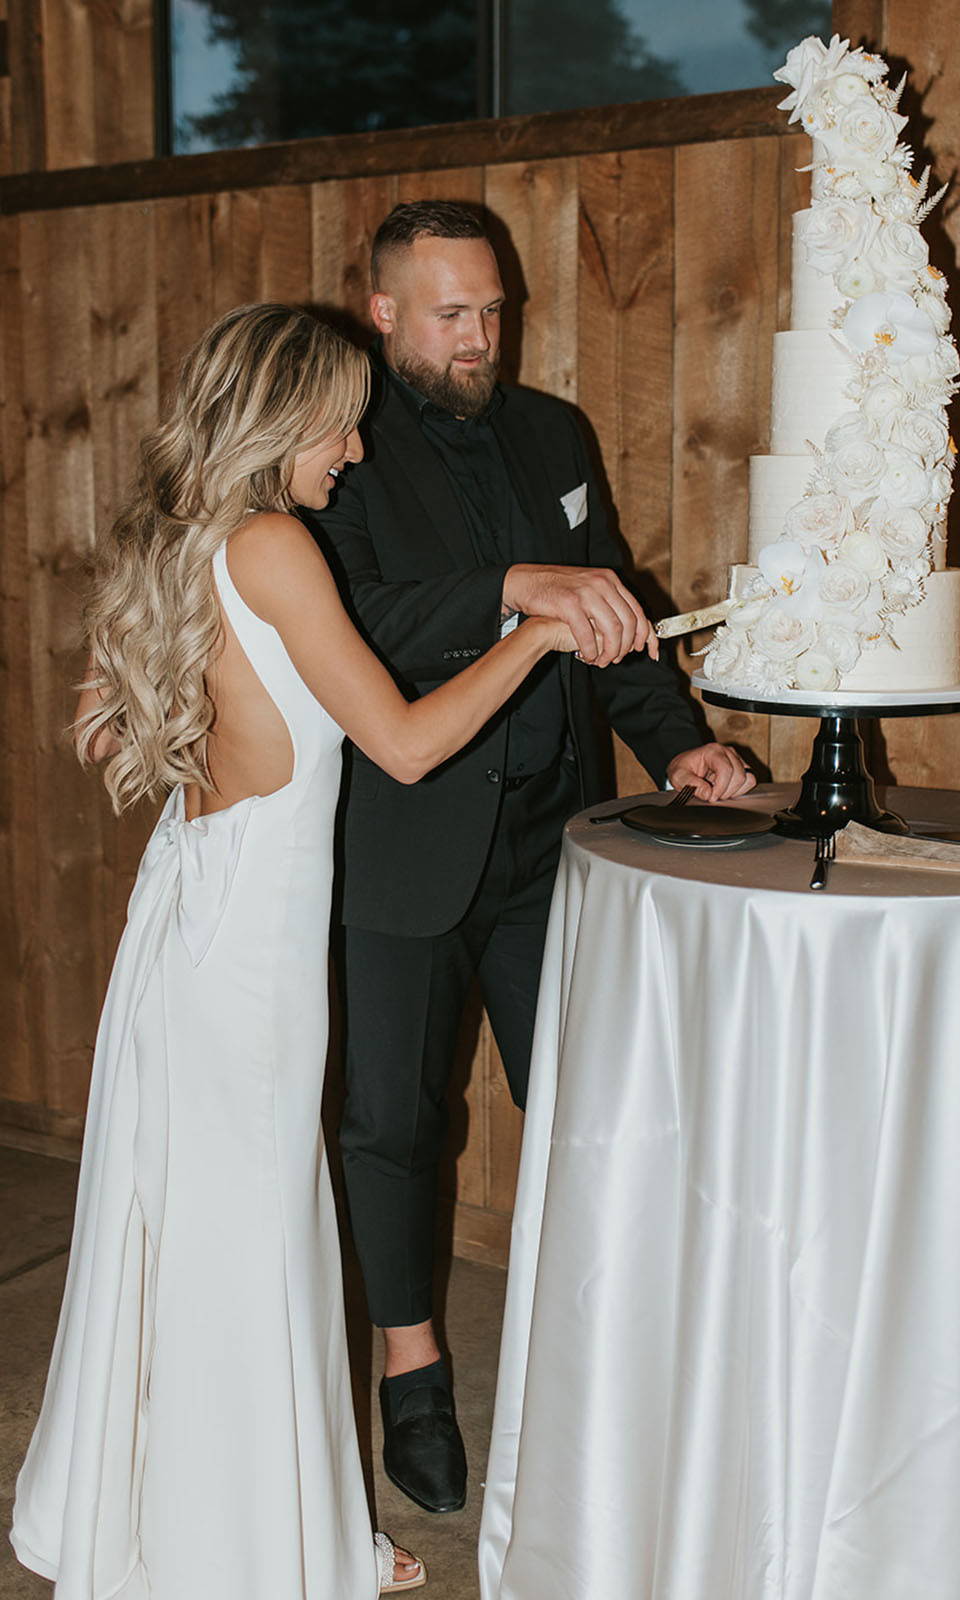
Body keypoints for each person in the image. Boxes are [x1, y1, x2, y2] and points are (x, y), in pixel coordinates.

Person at [8, 304, 635, 1599]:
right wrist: (534, 636)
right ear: (286, 415)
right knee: (254, 1239)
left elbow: (95, 732)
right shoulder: (277, 545)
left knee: (219, 1229)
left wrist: (198, 729)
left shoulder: (175, 539)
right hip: (250, 952)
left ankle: (254, 1522)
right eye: (341, 419)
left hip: (192, 904)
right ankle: (245, 1547)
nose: (355, 446)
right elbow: (404, 744)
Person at [303, 200, 756, 1516]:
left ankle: (606, 1369)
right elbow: (359, 619)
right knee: (395, 1125)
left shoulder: (553, 431)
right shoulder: (337, 444)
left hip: (554, 844)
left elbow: (609, 605)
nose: (480, 335)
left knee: (593, 1111)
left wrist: (678, 747)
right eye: (452, 312)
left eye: (494, 308)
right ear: (383, 310)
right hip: (396, 839)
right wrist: (515, 585)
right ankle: (412, 1376)